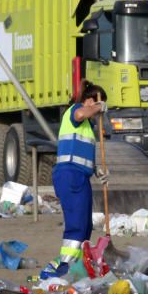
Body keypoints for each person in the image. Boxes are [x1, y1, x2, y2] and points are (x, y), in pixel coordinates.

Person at [43, 81, 108, 278]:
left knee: (85, 224)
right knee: (77, 223)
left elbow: (81, 151)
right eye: (98, 103)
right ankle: (65, 266)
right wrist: (98, 106)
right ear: (89, 100)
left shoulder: (87, 126)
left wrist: (97, 170)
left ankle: (78, 262)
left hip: (81, 175)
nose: (99, 110)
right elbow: (81, 113)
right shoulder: (76, 110)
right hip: (69, 174)